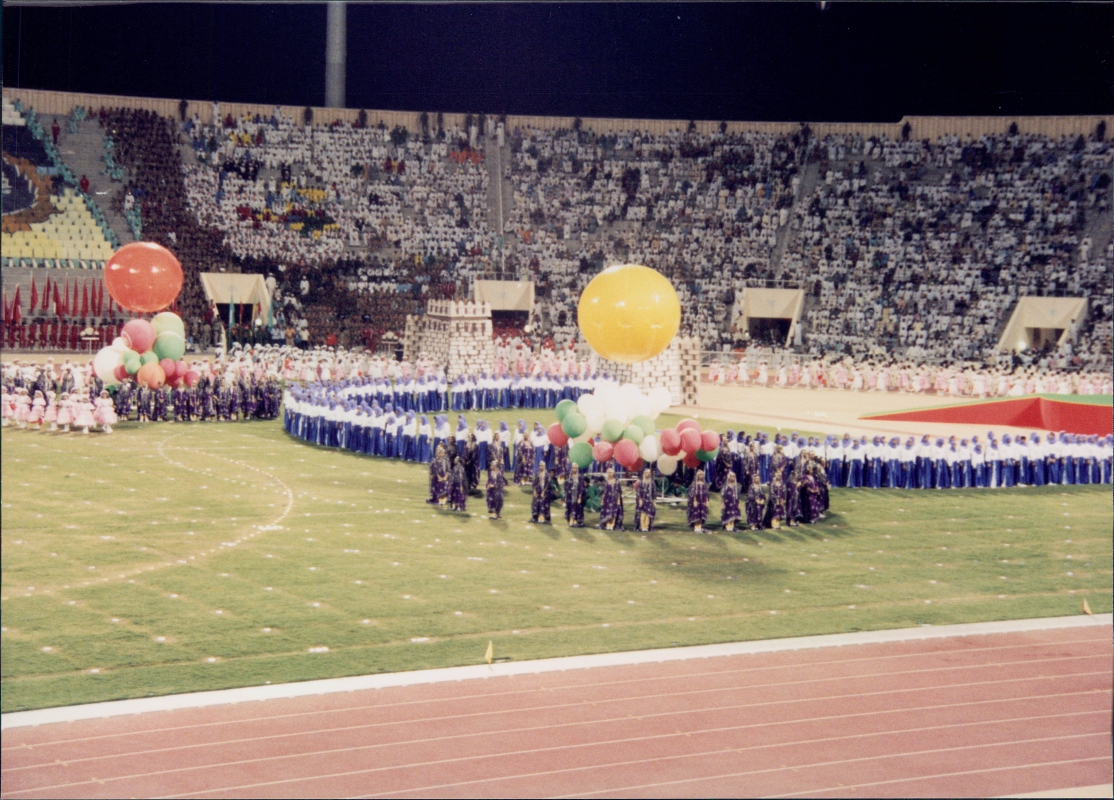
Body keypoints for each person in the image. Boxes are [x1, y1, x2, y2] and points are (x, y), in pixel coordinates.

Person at [564, 462, 586, 528]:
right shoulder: (569, 476)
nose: (574, 469)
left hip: (577, 495)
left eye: (575, 468)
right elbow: (566, 486)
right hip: (569, 495)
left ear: (577, 468)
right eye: (573, 468)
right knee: (570, 507)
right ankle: (571, 519)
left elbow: (581, 487)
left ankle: (575, 519)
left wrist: (580, 497)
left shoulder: (580, 477)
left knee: (577, 507)